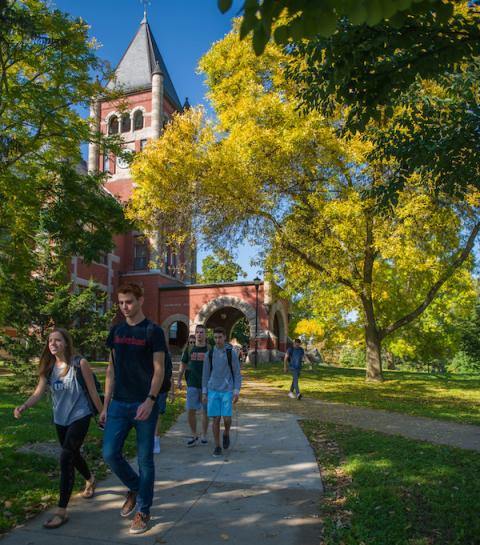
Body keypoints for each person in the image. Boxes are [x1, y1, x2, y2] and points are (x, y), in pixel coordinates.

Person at [14, 328, 102, 529]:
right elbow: (38, 392)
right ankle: (90, 479)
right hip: (60, 419)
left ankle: (61, 511)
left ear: (66, 343)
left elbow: (93, 392)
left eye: (57, 340)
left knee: (65, 458)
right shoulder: (48, 367)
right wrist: (24, 406)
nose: (52, 343)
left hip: (80, 416)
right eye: (50, 340)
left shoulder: (80, 364)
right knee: (72, 454)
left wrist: (104, 414)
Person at [100, 283, 167, 535]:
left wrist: (150, 400)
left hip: (143, 404)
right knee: (109, 453)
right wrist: (105, 405)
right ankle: (136, 486)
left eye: (128, 301)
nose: (124, 307)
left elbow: (158, 370)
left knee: (145, 460)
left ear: (140, 300)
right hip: (118, 403)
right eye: (120, 303)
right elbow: (111, 369)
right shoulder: (116, 331)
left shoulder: (153, 331)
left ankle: (143, 510)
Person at [202, 327, 241, 457]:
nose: (217, 340)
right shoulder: (210, 354)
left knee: (227, 418)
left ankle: (226, 433)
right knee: (216, 419)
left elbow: (237, 373)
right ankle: (217, 446)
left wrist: (236, 391)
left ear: (224, 337)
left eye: (220, 337)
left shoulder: (231, 353)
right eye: (215, 337)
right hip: (213, 389)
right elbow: (205, 374)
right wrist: (204, 392)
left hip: (227, 390)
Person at [177, 327, 209, 447]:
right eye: (197, 332)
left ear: (205, 334)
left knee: (205, 411)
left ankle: (204, 435)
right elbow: (183, 364)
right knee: (190, 410)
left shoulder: (209, 349)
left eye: (202, 332)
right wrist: (179, 380)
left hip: (206, 385)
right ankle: (193, 434)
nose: (199, 334)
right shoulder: (190, 349)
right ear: (195, 334)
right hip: (192, 384)